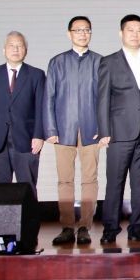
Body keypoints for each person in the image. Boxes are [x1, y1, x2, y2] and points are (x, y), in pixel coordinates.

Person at [96, 14, 140, 245]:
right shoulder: (108, 62)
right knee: (115, 183)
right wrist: (104, 130)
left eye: (139, 30)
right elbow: (102, 98)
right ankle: (110, 228)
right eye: (130, 30)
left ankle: (137, 228)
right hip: (118, 132)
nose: (135, 34)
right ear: (121, 33)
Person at [44, 16, 101, 246]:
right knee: (64, 180)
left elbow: (105, 98)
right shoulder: (57, 62)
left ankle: (85, 226)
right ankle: (67, 226)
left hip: (92, 128)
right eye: (78, 30)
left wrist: (103, 127)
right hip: (63, 128)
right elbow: (48, 97)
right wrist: (50, 128)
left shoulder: (99, 61)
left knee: (90, 179)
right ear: (69, 34)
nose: (83, 34)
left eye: (87, 30)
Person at [0, 31, 45, 192]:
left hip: (27, 140)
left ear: (26, 50)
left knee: (27, 186)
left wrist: (39, 136)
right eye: (11, 45)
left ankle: (29, 211)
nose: (15, 49)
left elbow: (41, 108)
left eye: (19, 45)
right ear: (4, 50)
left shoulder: (36, 75)